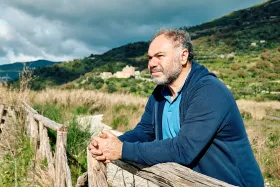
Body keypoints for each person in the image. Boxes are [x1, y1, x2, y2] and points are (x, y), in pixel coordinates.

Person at [88, 29, 264, 186]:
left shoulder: (208, 91)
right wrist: (110, 143)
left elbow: (184, 149)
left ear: (183, 56)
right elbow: (144, 131)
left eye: (160, 56)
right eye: (149, 58)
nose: (152, 64)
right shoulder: (159, 94)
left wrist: (122, 150)